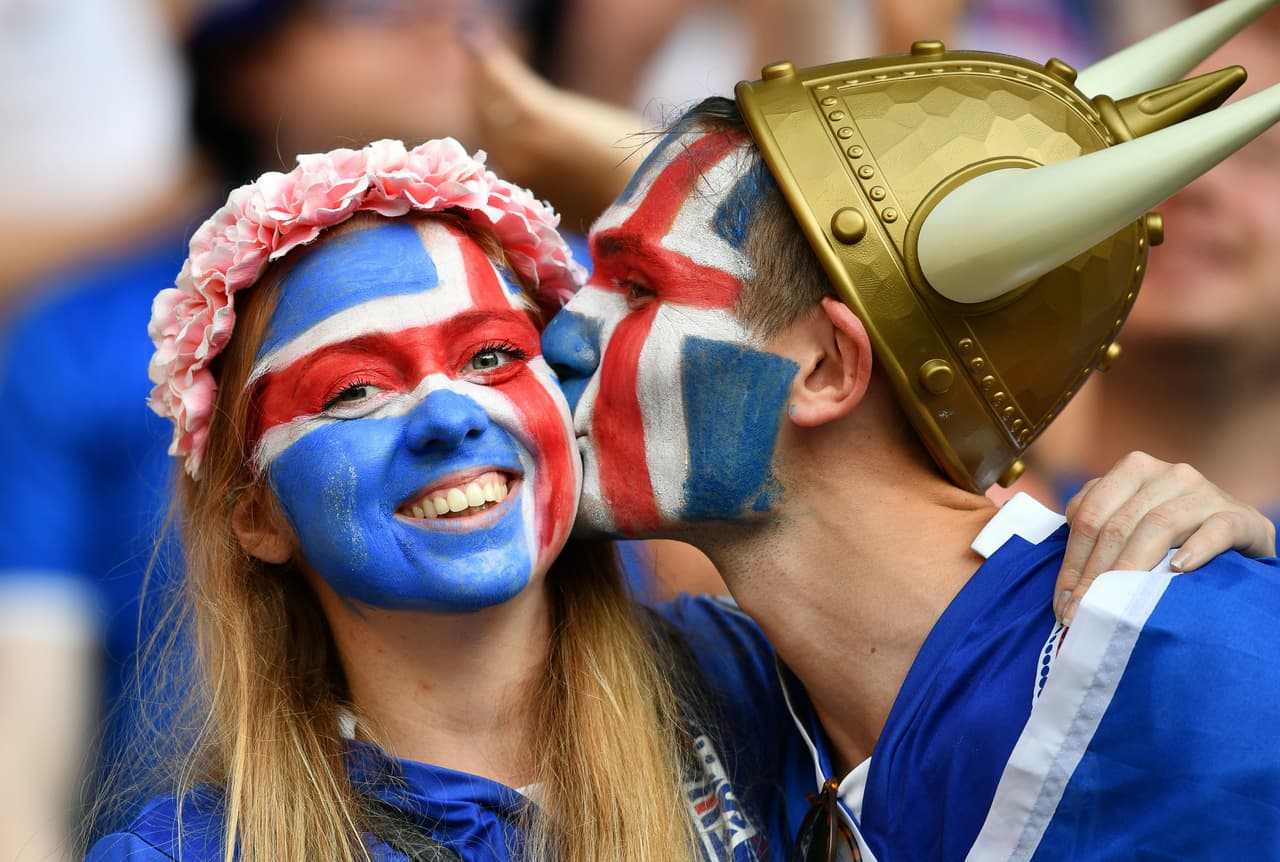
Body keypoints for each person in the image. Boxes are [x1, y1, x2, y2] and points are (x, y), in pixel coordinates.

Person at [83, 129, 1270, 860]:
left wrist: (1216, 557)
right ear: (253, 510)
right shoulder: (188, 855)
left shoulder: (758, 693)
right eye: (350, 390)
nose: (452, 412)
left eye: (493, 354)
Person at [540, 1, 1280, 857]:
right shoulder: (729, 711)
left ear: (827, 369)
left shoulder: (1212, 678)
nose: (561, 338)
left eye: (639, 289)